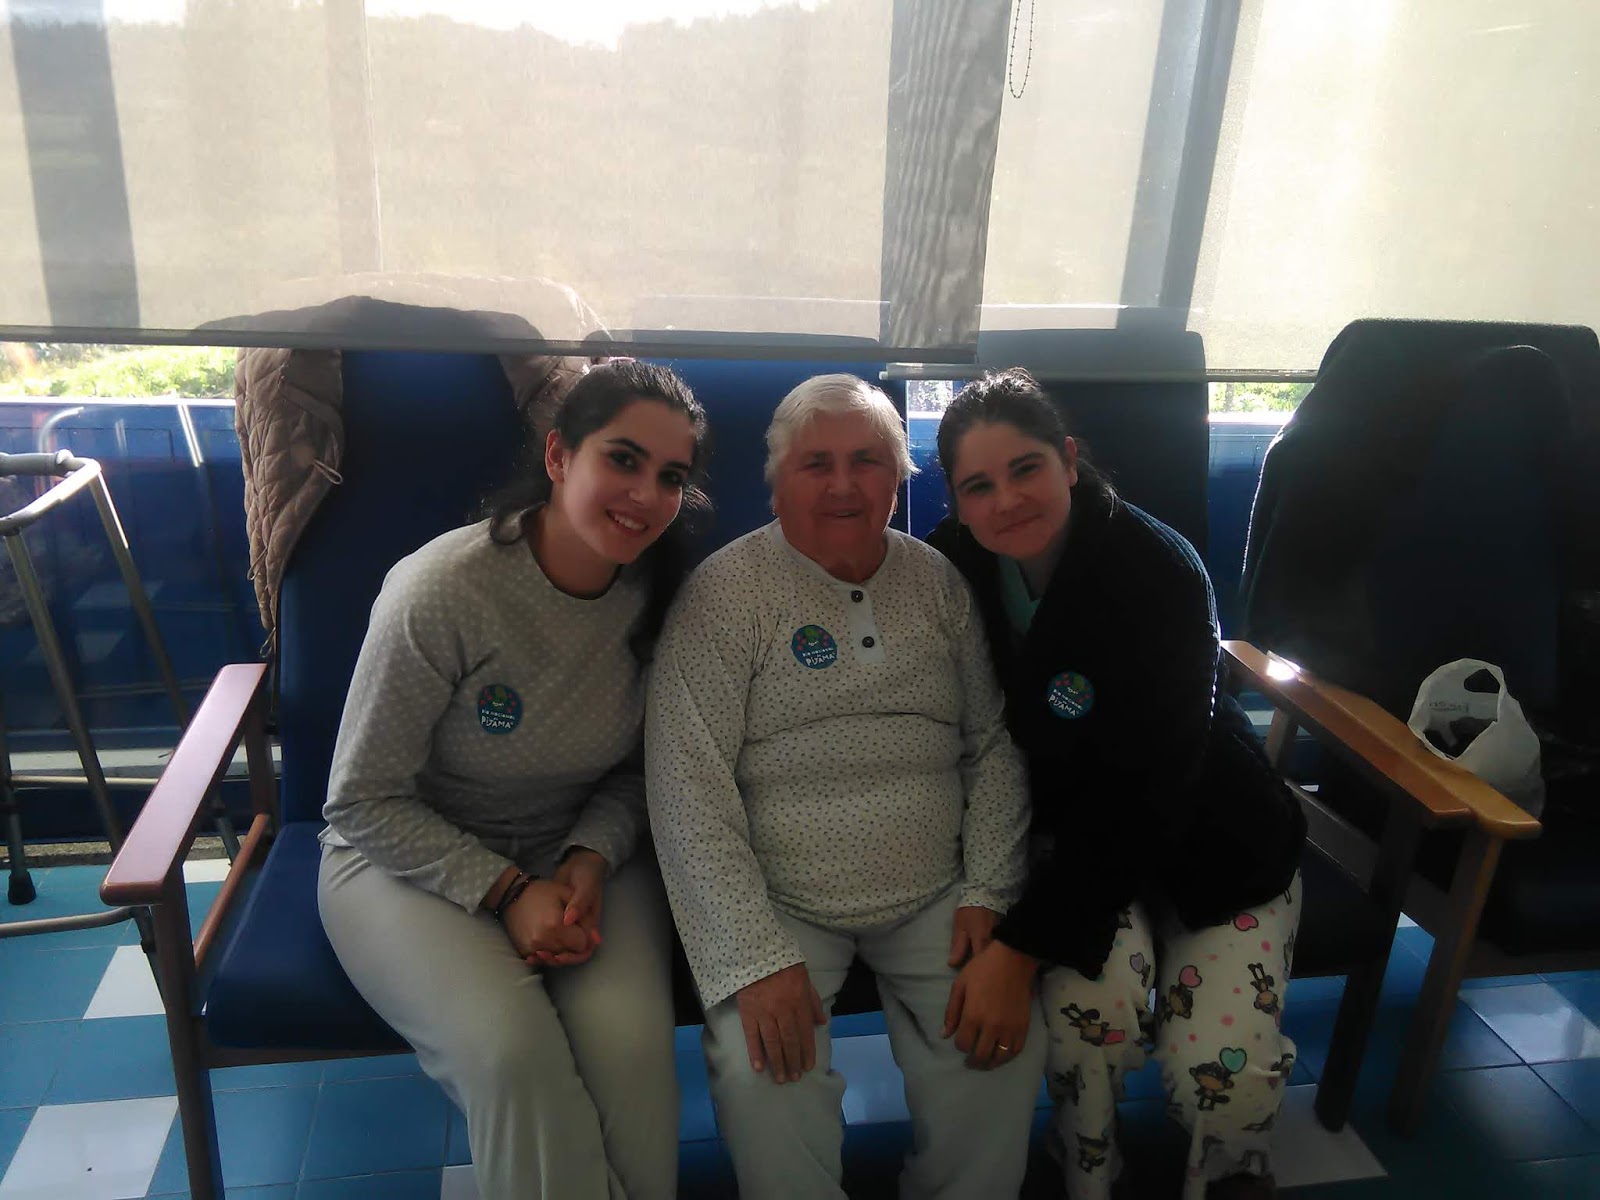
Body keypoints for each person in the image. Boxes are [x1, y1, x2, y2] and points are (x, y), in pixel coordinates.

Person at [318, 360, 709, 1200]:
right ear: (560, 455)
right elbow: (361, 800)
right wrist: (506, 892)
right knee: (511, 1055)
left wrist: (589, 856)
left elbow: (642, 770)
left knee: (634, 1055)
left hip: (580, 855)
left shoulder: (666, 596)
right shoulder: (442, 590)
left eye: (671, 477)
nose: (646, 495)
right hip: (402, 858)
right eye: (624, 459)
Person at [646, 373, 1043, 1200]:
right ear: (776, 480)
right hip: (781, 901)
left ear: (899, 476)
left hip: (937, 891)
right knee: (764, 1072)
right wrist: (754, 958)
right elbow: (687, 790)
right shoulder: (724, 596)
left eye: (867, 461)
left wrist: (989, 893)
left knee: (1000, 1046)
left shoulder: (938, 583)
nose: (843, 485)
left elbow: (995, 745)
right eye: (816, 463)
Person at [924, 369, 1308, 1200]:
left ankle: (1229, 1176)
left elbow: (1154, 787)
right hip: (1078, 849)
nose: (1006, 501)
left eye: (1026, 468)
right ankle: (1089, 1169)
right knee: (1084, 1023)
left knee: (1219, 1076)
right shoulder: (952, 566)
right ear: (955, 501)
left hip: (1213, 842)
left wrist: (1021, 945)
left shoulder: (1159, 570)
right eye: (978, 486)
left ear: (1069, 459)